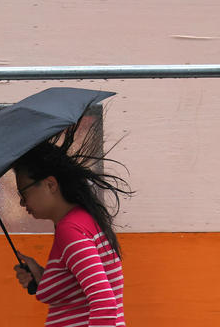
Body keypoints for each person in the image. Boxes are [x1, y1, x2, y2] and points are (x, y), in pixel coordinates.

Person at [12, 112, 134, 326]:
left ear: (50, 184)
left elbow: (104, 303)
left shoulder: (72, 229)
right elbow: (79, 295)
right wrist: (41, 276)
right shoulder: (80, 221)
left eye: (24, 192)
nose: (23, 203)